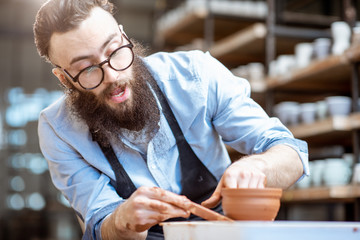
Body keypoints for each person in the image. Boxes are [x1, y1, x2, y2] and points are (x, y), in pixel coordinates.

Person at [33, 0, 309, 239]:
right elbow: (100, 224)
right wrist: (121, 221)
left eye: (114, 50)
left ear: (124, 36)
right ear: (64, 78)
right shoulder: (58, 130)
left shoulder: (195, 76)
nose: (113, 76)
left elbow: (291, 153)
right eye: (87, 69)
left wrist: (259, 166)